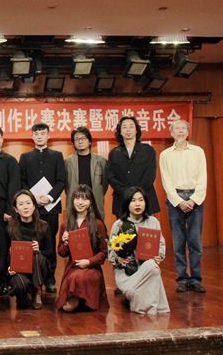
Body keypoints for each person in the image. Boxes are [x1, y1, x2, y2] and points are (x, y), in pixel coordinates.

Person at [159, 119, 208, 293]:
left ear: (188, 132)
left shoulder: (198, 151)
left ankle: (196, 279)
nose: (180, 131)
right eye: (177, 129)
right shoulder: (165, 154)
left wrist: (193, 200)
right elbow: (166, 180)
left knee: (195, 242)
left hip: (195, 199)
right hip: (175, 200)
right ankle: (182, 279)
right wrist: (179, 201)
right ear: (171, 133)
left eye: (183, 128)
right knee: (178, 242)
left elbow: (202, 178)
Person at [19, 122, 65, 293]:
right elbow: (22, 181)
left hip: (51, 207)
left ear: (48, 135)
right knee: (31, 241)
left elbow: (61, 180)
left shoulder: (57, 156)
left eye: (42, 133)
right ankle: (31, 276)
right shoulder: (25, 157)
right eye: (36, 133)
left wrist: (49, 197)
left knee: (49, 241)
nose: (39, 136)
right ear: (32, 136)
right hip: (31, 207)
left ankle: (50, 278)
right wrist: (32, 198)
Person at [108, 187, 169, 315]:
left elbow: (161, 244)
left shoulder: (153, 222)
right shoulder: (119, 224)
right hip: (127, 272)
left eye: (141, 200)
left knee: (152, 266)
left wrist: (159, 255)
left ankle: (140, 304)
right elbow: (110, 250)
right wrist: (118, 259)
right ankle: (142, 302)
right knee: (147, 278)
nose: (138, 204)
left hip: (146, 268)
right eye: (133, 200)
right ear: (127, 203)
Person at [56, 185, 108, 312]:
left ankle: (83, 299)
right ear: (72, 200)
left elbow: (103, 252)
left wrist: (89, 262)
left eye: (85, 199)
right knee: (66, 307)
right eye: (77, 198)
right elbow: (61, 253)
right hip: (73, 266)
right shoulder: (65, 225)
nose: (80, 202)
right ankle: (81, 299)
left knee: (77, 278)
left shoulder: (98, 224)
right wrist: (65, 242)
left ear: (91, 203)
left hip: (91, 267)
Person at [6, 190, 52, 310]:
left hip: (39, 268)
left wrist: (39, 250)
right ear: (16, 209)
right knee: (22, 297)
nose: (25, 207)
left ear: (34, 206)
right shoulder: (10, 228)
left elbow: (50, 252)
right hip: (19, 269)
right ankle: (23, 295)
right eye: (21, 204)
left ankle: (37, 291)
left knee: (37, 256)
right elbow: (4, 254)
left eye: (28, 203)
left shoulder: (43, 226)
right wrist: (9, 265)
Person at [107, 116, 160, 217]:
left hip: (145, 198)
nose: (128, 129)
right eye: (124, 127)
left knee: (146, 227)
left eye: (131, 126)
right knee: (124, 228)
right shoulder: (114, 153)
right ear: (120, 131)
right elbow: (111, 177)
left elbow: (150, 176)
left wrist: (136, 194)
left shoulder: (148, 150)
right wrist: (127, 193)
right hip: (122, 200)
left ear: (136, 130)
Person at [64, 127, 108, 221]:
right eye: (77, 139)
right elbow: (67, 187)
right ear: (73, 143)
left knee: (96, 228)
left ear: (90, 141)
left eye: (83, 138)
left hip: (95, 202)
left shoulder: (101, 161)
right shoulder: (67, 162)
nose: (80, 141)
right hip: (75, 203)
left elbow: (104, 184)